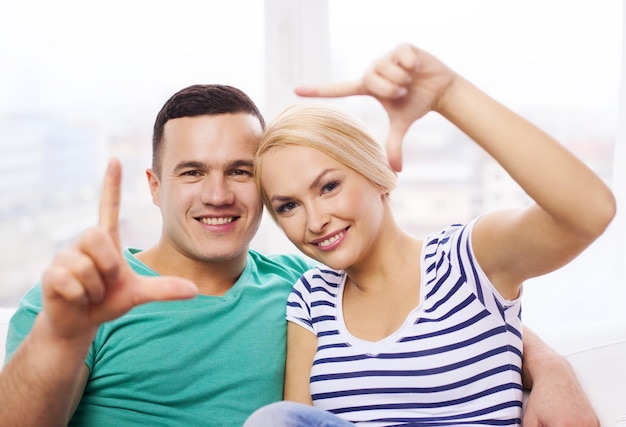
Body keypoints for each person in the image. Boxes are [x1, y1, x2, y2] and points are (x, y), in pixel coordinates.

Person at [0, 83, 599, 426]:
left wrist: (549, 368)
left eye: (239, 172)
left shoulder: (298, 286)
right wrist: (63, 334)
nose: (217, 194)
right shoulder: (80, 305)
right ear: (154, 186)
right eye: (191, 172)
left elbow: (462, 305)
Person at [246, 42, 615, 425]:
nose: (315, 220)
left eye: (329, 187)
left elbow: (589, 212)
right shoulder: (311, 297)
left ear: (376, 174)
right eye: (288, 206)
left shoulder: (467, 259)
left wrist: (449, 95)